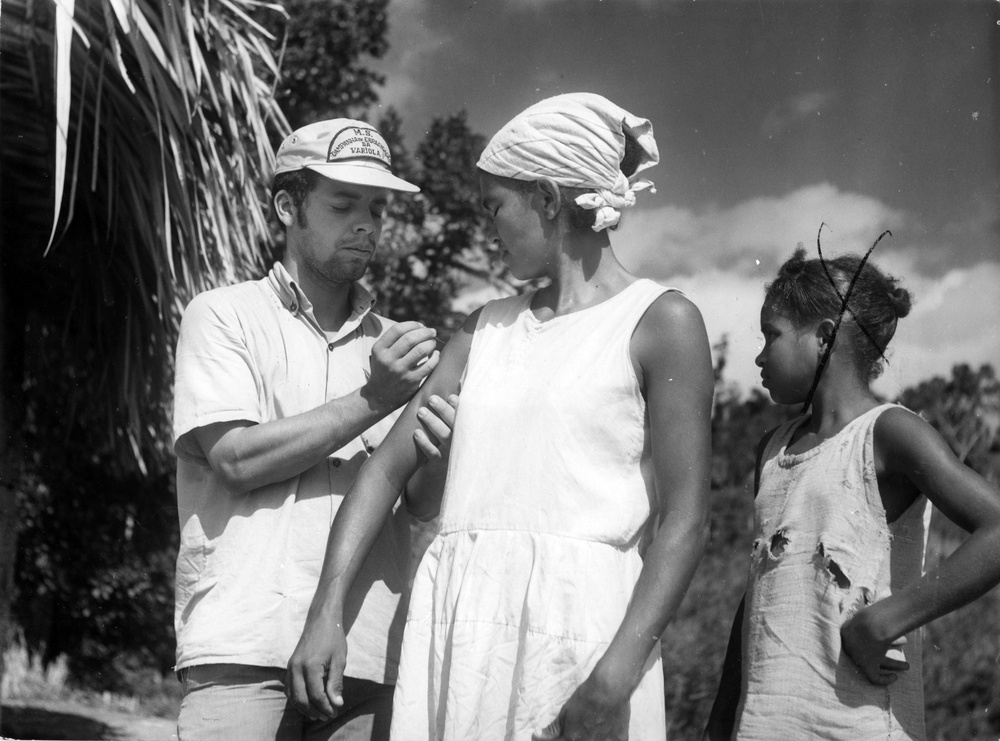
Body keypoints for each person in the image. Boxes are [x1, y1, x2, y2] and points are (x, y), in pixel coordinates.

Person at [286, 92, 715, 741]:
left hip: (581, 642)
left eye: (496, 206)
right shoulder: (480, 332)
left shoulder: (662, 322)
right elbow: (381, 476)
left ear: (546, 197)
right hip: (461, 638)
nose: (488, 227)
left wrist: (611, 680)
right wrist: (327, 612)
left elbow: (686, 520)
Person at [172, 118, 458, 741]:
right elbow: (236, 461)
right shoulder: (222, 315)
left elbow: (420, 502)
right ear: (286, 206)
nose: (367, 223)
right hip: (243, 646)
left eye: (378, 208)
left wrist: (439, 444)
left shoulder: (399, 346)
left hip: (364, 652)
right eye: (342, 203)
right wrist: (373, 399)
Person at [704, 248, 1000, 740]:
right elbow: (764, 586)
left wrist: (883, 621)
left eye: (770, 335)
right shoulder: (772, 451)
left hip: (857, 724)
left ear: (823, 337)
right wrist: (719, 724)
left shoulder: (889, 433)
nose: (759, 355)